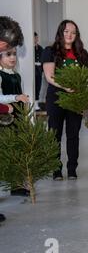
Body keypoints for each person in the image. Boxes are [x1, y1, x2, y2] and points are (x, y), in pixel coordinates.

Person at [42, 20, 88, 181]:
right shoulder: (50, 51)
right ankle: (56, 169)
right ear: (61, 32)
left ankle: (72, 169)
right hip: (56, 99)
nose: (70, 35)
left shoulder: (82, 54)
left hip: (75, 100)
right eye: (66, 31)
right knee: (55, 134)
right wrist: (66, 87)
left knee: (73, 135)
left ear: (77, 35)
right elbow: (49, 76)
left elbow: (84, 79)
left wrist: (83, 101)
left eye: (73, 32)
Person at [0, 47, 31, 197]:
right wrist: (16, 98)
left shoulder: (17, 76)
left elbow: (20, 93)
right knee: (6, 150)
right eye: (8, 55)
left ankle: (16, 185)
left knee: (17, 150)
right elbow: (0, 98)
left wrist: (23, 102)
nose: (12, 58)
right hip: (4, 120)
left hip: (18, 118)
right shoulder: (0, 75)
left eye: (14, 54)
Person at [34, 32, 43, 110]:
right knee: (34, 86)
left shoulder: (40, 48)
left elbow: (43, 58)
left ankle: (36, 103)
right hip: (33, 71)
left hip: (39, 71)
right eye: (34, 38)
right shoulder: (31, 48)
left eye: (36, 38)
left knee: (38, 87)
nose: (36, 39)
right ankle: (32, 103)